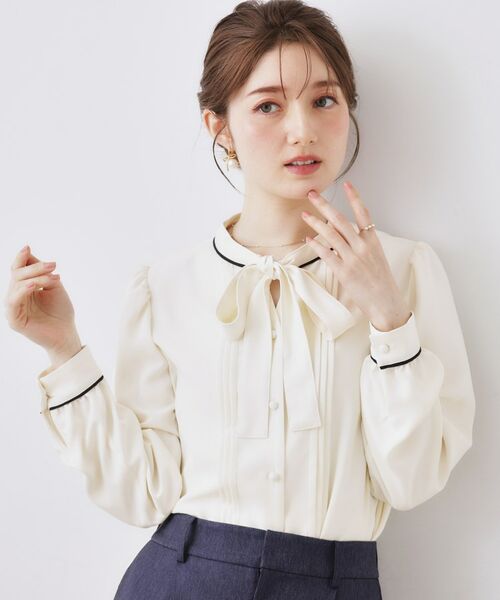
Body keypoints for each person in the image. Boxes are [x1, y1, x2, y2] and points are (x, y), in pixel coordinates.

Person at [5, 1, 476, 598]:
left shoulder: (406, 273)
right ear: (219, 126)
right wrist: (63, 350)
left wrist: (389, 319)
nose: (302, 129)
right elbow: (142, 492)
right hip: (182, 579)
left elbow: (409, 481)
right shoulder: (165, 287)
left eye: (324, 100)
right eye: (268, 106)